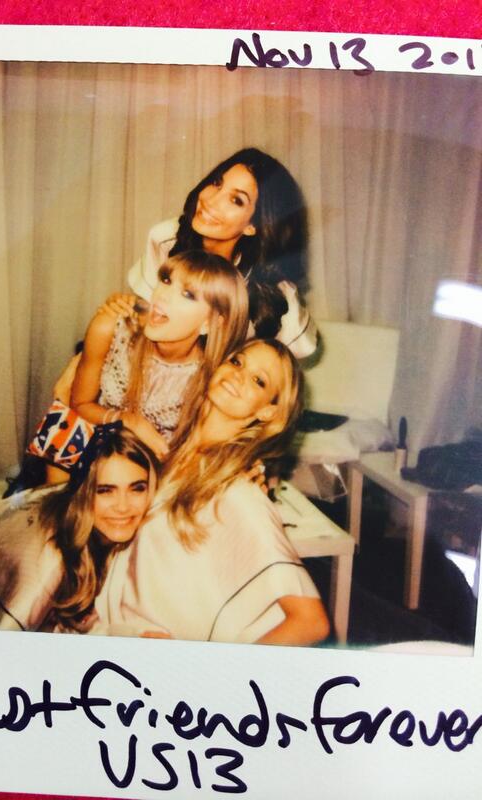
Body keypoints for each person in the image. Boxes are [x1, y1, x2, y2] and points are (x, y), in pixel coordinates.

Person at [92, 339, 330, 646]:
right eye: (237, 361)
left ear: (269, 410)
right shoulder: (170, 454)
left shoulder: (238, 492)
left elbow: (311, 623)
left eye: (259, 381)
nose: (239, 375)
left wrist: (216, 671)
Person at [0, 427, 159, 633]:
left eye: (137, 488)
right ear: (82, 494)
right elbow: (7, 644)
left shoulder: (76, 506)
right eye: (105, 491)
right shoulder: (48, 561)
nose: (123, 506)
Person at [125, 148, 318, 359]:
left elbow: (301, 349)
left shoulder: (272, 288)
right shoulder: (166, 240)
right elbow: (148, 309)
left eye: (236, 200)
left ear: (252, 226)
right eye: (217, 183)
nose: (211, 201)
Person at [66, 249, 249, 461]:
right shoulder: (111, 328)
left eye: (187, 294)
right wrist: (127, 420)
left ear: (210, 323)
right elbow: (79, 404)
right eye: (166, 280)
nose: (162, 294)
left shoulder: (211, 379)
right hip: (88, 456)